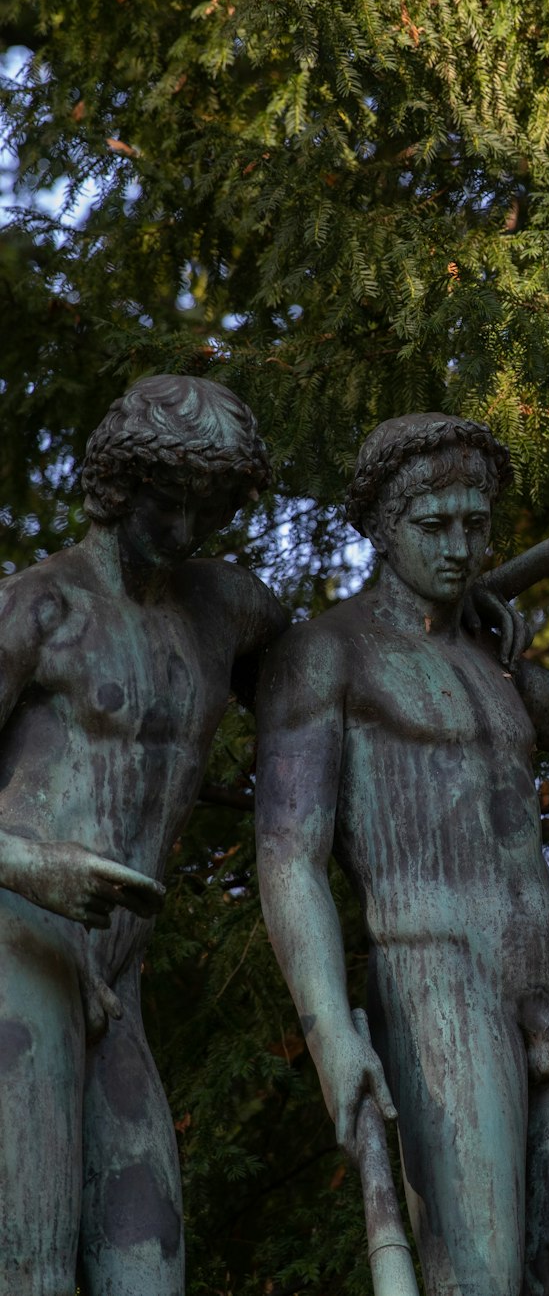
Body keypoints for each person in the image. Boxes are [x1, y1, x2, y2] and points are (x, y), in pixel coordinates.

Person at [255, 412, 549, 1296]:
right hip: (437, 973)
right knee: (478, 1274)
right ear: (381, 529)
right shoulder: (327, 655)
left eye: (476, 525)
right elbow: (288, 855)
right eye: (435, 528)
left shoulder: (489, 657)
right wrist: (327, 1035)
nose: (461, 548)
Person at [0, 375, 287, 1296]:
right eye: (169, 505)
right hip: (17, 944)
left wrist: (471, 604)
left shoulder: (223, 608)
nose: (187, 530)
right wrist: (30, 866)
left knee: (148, 1264)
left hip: (116, 976)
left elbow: (341, 664)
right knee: (30, 1266)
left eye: (209, 508)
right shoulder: (37, 609)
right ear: (116, 488)